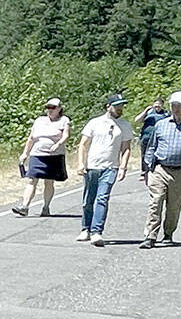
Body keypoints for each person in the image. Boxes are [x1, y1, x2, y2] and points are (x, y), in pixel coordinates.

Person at [139, 91, 181, 249]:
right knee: (155, 202)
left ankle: (168, 233)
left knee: (174, 206)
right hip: (160, 169)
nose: (176, 109)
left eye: (180, 106)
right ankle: (150, 236)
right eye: (174, 105)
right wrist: (147, 169)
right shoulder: (161, 124)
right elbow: (151, 147)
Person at [74, 94, 133, 247]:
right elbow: (83, 144)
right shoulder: (95, 123)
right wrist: (81, 163)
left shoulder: (125, 125)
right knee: (88, 199)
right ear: (108, 106)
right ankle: (85, 228)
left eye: (122, 106)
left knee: (102, 198)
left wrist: (123, 167)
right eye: (117, 106)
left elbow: (126, 148)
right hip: (92, 166)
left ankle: (96, 232)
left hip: (110, 167)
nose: (120, 109)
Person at [12, 98, 70, 217]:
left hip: (54, 156)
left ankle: (46, 207)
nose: (50, 110)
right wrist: (25, 153)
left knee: (49, 182)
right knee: (32, 179)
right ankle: (24, 206)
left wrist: (58, 144)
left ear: (59, 108)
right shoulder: (39, 120)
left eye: (53, 108)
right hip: (37, 154)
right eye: (48, 107)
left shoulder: (64, 120)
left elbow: (66, 135)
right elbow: (31, 138)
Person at [135, 97, 168, 175]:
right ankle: (144, 171)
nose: (157, 106)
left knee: (156, 154)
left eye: (159, 104)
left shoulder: (165, 114)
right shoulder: (148, 113)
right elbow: (137, 120)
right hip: (146, 137)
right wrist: (146, 110)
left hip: (158, 138)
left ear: (162, 105)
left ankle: (154, 170)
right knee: (144, 154)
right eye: (156, 104)